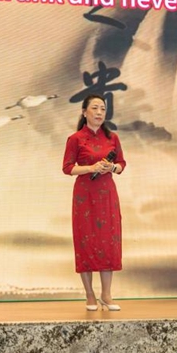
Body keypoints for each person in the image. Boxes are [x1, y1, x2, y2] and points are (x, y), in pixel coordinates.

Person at [62, 95, 126, 311]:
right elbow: (67, 168)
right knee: (86, 241)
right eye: (95, 108)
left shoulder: (112, 137)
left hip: (107, 194)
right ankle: (89, 295)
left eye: (103, 109)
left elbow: (121, 163)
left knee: (108, 241)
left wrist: (112, 168)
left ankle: (106, 295)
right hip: (85, 196)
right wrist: (91, 168)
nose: (99, 112)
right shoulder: (75, 138)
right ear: (84, 112)